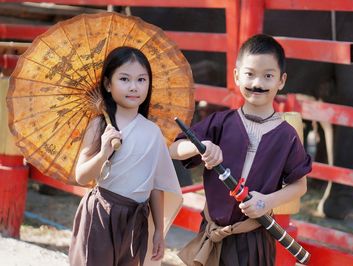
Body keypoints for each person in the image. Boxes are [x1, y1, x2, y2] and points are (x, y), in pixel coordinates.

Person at [169, 34, 312, 266]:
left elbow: (299, 185)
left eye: (268, 76)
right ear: (236, 76)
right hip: (211, 233)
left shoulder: (286, 135)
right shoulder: (220, 122)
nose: (257, 83)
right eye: (250, 74)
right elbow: (173, 149)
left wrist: (266, 202)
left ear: (281, 80)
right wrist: (199, 146)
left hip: (254, 240)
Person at [69, 46, 182, 266]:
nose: (134, 87)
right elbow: (82, 176)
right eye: (124, 79)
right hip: (101, 214)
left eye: (141, 80)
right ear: (108, 85)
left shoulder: (153, 132)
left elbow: (156, 185)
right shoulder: (99, 125)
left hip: (135, 220)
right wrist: (103, 153)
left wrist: (158, 230)